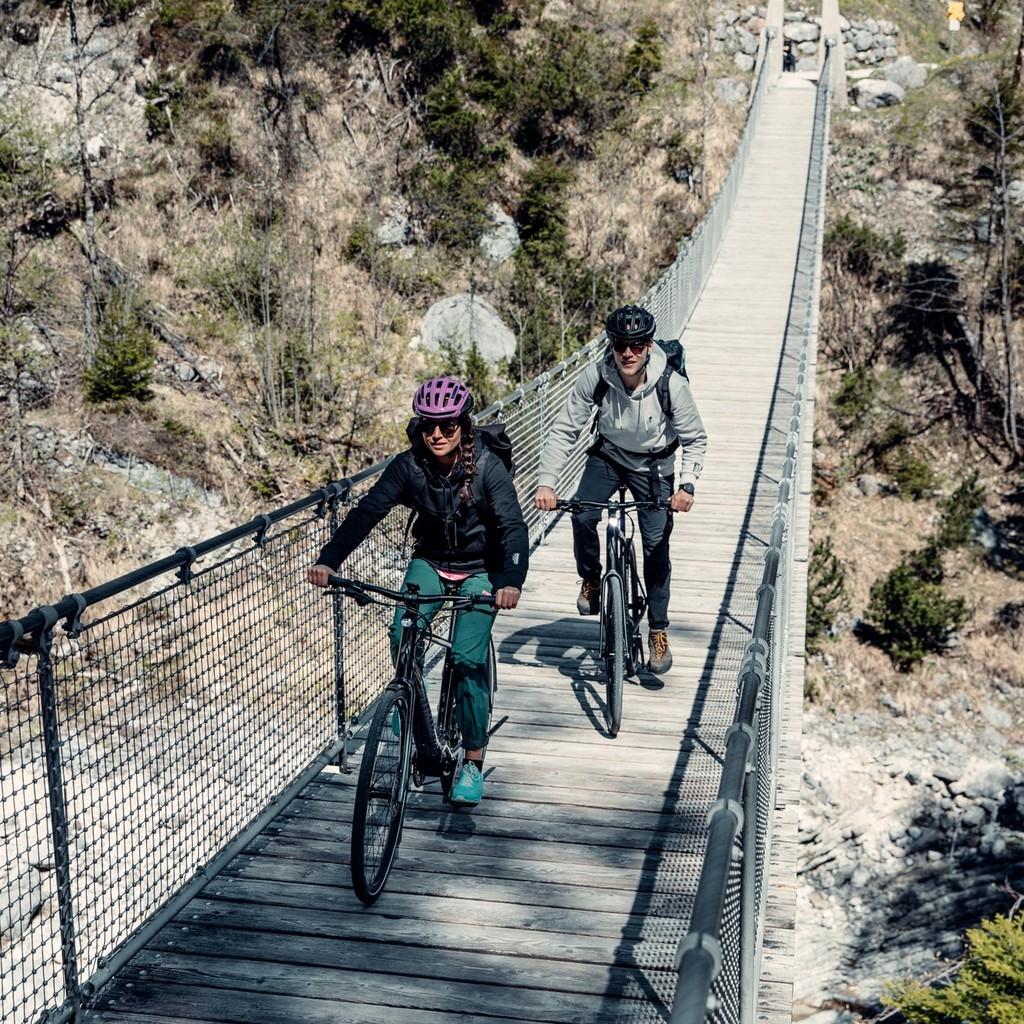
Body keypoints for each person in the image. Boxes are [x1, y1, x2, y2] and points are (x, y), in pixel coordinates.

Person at [308, 376, 528, 808]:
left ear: (463, 425)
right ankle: (412, 711)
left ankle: (471, 760)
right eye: (429, 425)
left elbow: (512, 527)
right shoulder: (410, 466)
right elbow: (368, 511)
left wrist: (511, 582)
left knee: (466, 658)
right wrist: (329, 560)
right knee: (401, 633)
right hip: (430, 560)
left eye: (447, 425)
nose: (438, 434)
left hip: (481, 569)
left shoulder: (487, 467)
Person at [533, 305, 707, 674]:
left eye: (637, 345)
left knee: (656, 547)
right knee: (583, 513)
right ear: (610, 345)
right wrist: (547, 481)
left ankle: (658, 631)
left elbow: (695, 439)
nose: (628, 353)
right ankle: (592, 578)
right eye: (620, 344)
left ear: (648, 346)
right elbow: (566, 429)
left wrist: (687, 485)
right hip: (609, 456)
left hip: (655, 465)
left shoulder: (671, 383)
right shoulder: (596, 376)